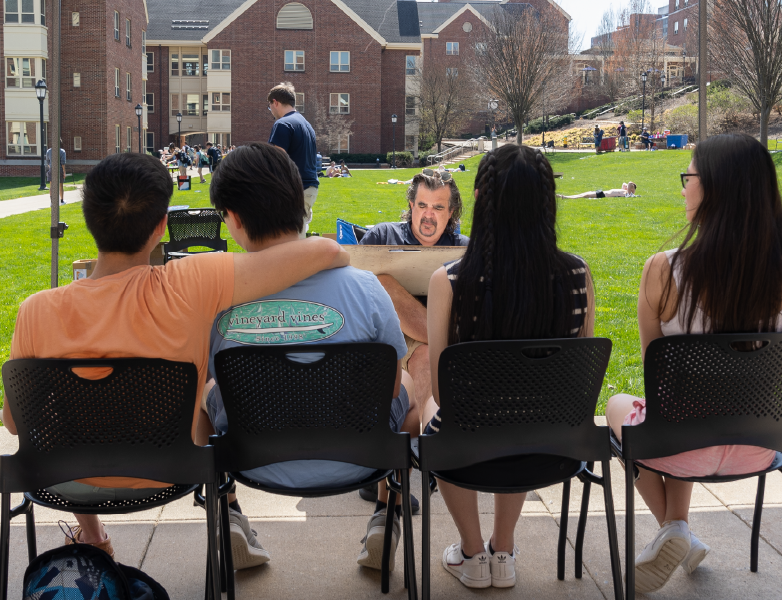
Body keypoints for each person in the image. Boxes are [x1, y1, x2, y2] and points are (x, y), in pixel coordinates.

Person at [3, 152, 347, 561]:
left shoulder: (36, 310)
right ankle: (229, 513)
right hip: (170, 470)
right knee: (211, 389)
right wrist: (339, 254)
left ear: (89, 218)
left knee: (69, 414)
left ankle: (92, 534)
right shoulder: (192, 282)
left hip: (61, 478)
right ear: (162, 226)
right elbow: (325, 251)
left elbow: (12, 420)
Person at [203, 142, 419, 573]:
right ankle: (387, 513)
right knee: (410, 387)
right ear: (300, 204)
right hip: (358, 457)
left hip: (255, 461)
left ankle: (228, 512)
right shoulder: (366, 288)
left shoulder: (217, 299)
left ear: (235, 219)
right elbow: (391, 388)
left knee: (204, 391)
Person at [605, 134, 782, 593]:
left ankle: (677, 529)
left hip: (678, 446)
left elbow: (658, 382)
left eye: (687, 177)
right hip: (762, 443)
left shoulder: (663, 270)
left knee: (620, 405)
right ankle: (677, 528)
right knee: (682, 414)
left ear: (712, 188)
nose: (682, 188)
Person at [423, 144, 595, 589]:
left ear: (479, 198)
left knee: (429, 408)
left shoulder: (451, 281)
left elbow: (443, 393)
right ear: (547, 201)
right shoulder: (579, 275)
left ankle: (472, 553)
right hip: (551, 446)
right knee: (522, 410)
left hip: (467, 451)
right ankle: (504, 549)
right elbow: (581, 373)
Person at [359, 171, 467, 419]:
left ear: (451, 212)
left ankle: (428, 439)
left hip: (448, 332)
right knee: (383, 283)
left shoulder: (464, 249)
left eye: (438, 207)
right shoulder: (383, 237)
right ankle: (428, 441)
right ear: (411, 205)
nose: (428, 215)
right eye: (422, 205)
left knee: (428, 352)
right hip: (394, 332)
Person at [267, 82, 319, 235]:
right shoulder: (306, 124)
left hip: (293, 191)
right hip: (309, 188)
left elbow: (277, 162)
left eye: (269, 106)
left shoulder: (282, 124)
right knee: (298, 239)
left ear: (275, 102)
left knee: (286, 242)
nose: (270, 111)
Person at [46, 140, 67, 204]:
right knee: (60, 185)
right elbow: (63, 163)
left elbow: (48, 162)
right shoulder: (62, 151)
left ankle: (52, 202)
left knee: (51, 186)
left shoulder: (49, 151)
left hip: (52, 169)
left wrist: (51, 168)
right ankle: (61, 200)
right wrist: (64, 172)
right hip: (59, 169)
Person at [559, 181, 637, 198]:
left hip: (603, 195)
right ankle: (565, 196)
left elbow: (630, 183)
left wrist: (632, 188)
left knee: (584, 195)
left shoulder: (629, 194)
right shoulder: (625, 191)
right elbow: (624, 184)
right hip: (602, 192)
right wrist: (628, 187)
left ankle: (565, 197)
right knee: (584, 194)